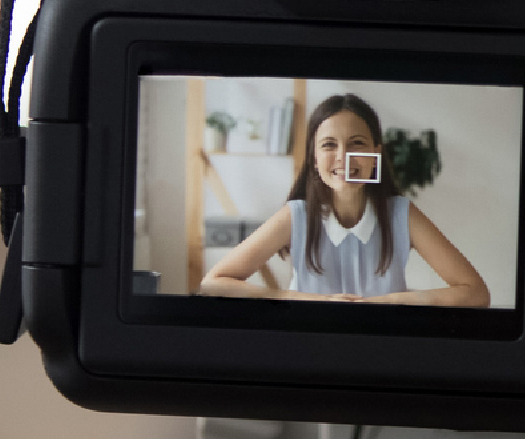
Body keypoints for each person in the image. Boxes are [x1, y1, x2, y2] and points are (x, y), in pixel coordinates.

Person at [202, 93, 490, 308]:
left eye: (357, 144)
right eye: (329, 145)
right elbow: (213, 285)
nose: (343, 157)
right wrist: (304, 299)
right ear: (314, 158)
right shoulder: (296, 216)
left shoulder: (401, 214)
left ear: (376, 153)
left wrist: (389, 302)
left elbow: (476, 293)